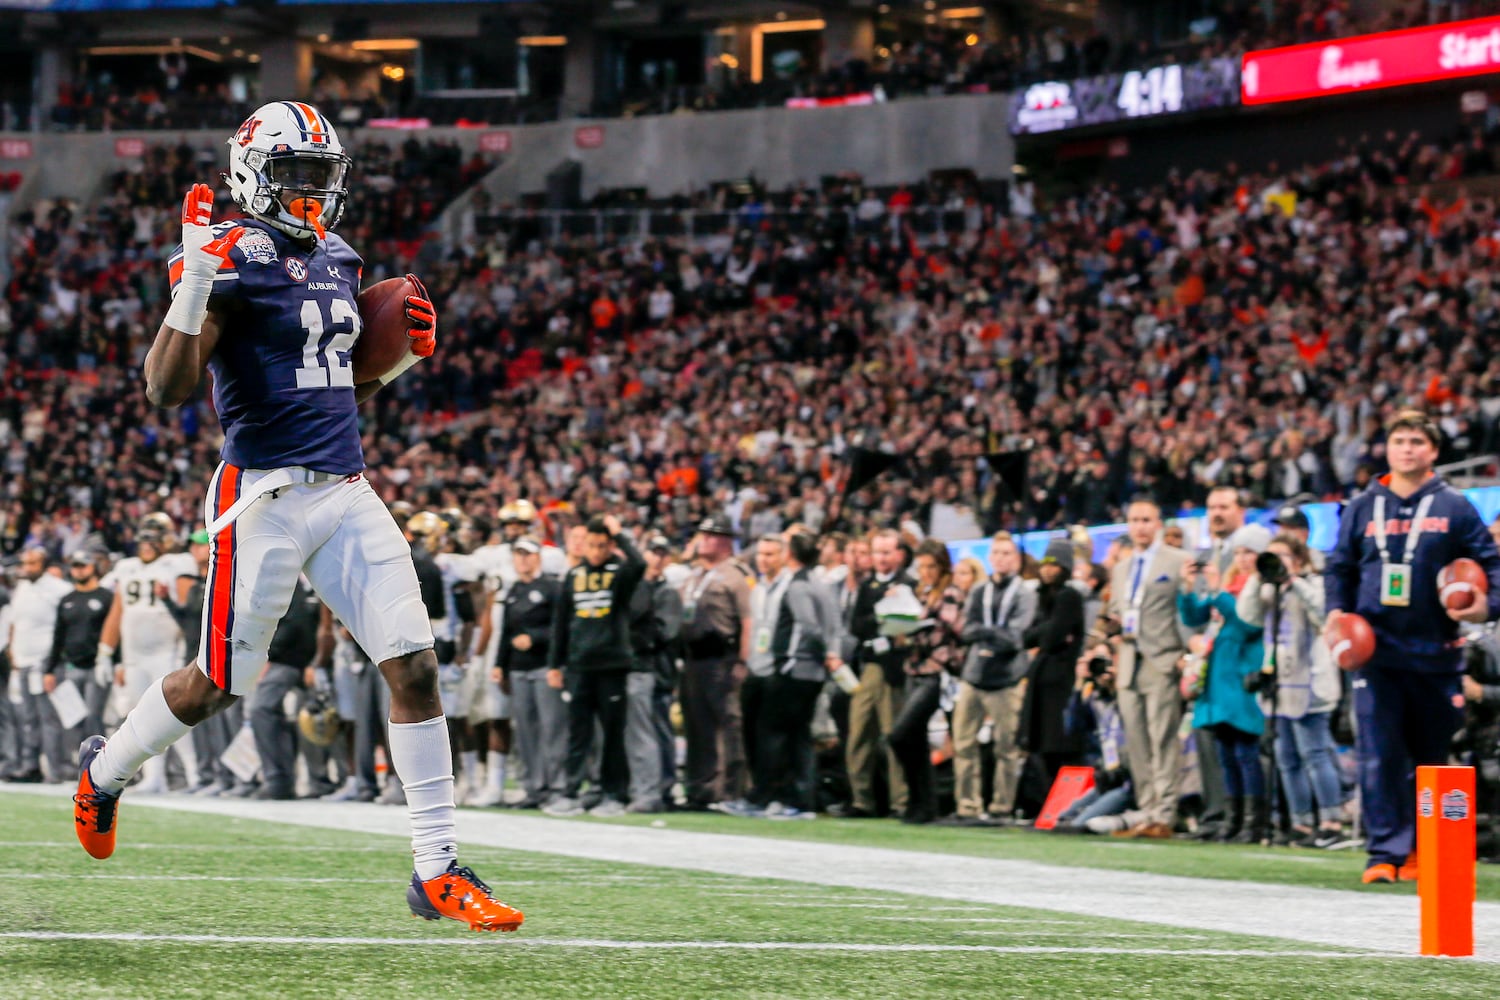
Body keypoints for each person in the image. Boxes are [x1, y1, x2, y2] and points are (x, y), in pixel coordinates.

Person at [70, 102, 522, 933]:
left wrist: (394, 369)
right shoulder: (227, 254)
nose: (311, 192)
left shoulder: (343, 258)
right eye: (295, 174)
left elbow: (335, 391)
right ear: (253, 173)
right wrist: (195, 286)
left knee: (415, 667)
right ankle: (105, 773)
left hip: (345, 488)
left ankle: (437, 868)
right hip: (263, 497)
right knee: (216, 688)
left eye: (322, 175)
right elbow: (166, 390)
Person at [1323, 410, 1500, 885]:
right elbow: (1339, 568)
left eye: (1417, 441)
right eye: (1400, 440)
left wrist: (1485, 607)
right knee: (1380, 753)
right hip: (1374, 653)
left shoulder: (1457, 507)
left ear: (1433, 451)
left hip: (1437, 652)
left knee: (1431, 756)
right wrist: (1335, 614)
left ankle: (1424, 850)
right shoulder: (1362, 505)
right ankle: (1384, 854)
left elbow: (1492, 566)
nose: (1407, 448)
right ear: (1388, 448)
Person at [1238, 534, 1345, 848]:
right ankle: (1300, 824)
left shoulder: (1313, 584)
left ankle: (1331, 821)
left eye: (1281, 555)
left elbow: (1323, 613)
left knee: (1314, 754)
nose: (1276, 562)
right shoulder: (1271, 591)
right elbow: (1247, 615)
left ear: (1298, 560)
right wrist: (1258, 579)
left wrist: (1294, 581)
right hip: (1281, 686)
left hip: (1312, 682)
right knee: (1287, 758)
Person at [545, 514, 645, 818]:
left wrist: (621, 533)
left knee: (613, 733)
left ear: (611, 546)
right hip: (578, 666)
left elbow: (639, 564)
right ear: (584, 546)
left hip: (612, 665)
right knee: (578, 733)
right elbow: (561, 623)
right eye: (592, 545)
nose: (597, 551)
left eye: (603, 545)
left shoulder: (620, 573)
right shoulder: (573, 576)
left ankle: (615, 794)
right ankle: (572, 792)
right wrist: (554, 664)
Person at [1179, 525, 1268, 844]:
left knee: (1246, 752)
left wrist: (1217, 591)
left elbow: (1248, 626)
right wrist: (1189, 588)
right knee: (1226, 754)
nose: (1243, 559)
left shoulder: (1260, 586)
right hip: (1218, 679)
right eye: (1240, 552)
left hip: (1242, 676)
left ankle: (1253, 821)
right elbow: (1193, 617)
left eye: (1250, 552)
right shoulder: (1230, 587)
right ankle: (1232, 818)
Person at [1107, 498, 1190, 838]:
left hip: (1161, 658)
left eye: (1146, 519)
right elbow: (1117, 611)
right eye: (1135, 520)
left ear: (1158, 524)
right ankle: (1147, 809)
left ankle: (1165, 813)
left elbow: (1185, 609)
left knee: (1163, 739)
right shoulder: (1120, 568)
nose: (1140, 526)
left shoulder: (1179, 560)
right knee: (1137, 743)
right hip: (1128, 661)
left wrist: (1183, 653)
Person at [98, 515, 198, 793]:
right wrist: (106, 653)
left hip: (166, 652)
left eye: (154, 538)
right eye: (144, 539)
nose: (147, 545)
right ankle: (155, 778)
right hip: (134, 655)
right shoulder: (126, 568)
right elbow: (117, 612)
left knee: (175, 714)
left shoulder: (177, 563)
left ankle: (195, 774)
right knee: (140, 717)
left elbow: (188, 608)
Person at [758, 530, 845, 818]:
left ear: (789, 555)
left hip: (795, 667)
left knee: (783, 735)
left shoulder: (798, 586)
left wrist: (820, 653)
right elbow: (833, 624)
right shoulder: (821, 584)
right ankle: (802, 797)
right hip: (812, 671)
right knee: (801, 735)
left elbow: (807, 627)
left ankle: (788, 798)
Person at [952, 531, 1036, 824]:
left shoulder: (1025, 593)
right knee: (963, 743)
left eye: (1007, 553)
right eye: (997, 553)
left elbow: (1015, 637)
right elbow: (965, 631)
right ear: (990, 557)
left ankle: (1002, 806)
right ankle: (967, 805)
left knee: (1006, 747)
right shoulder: (979, 591)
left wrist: (984, 633)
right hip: (974, 674)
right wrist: (990, 634)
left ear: (1017, 558)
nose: (1001, 559)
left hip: (1007, 678)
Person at [833, 528, 915, 819]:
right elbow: (857, 626)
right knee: (859, 734)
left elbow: (911, 625)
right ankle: (861, 799)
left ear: (900, 554)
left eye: (887, 552)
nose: (881, 558)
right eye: (877, 552)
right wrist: (884, 612)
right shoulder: (868, 586)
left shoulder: (909, 584)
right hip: (870, 665)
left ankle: (901, 802)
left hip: (896, 669)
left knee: (893, 736)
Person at [677, 513, 752, 810]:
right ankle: (699, 788)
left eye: (710, 535)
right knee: (696, 726)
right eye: (701, 534)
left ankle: (729, 791)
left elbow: (748, 620)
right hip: (693, 660)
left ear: (725, 541)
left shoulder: (736, 575)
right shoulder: (693, 574)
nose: (702, 540)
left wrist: (743, 661)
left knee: (727, 726)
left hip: (722, 658)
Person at [888, 539, 966, 825]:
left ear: (942, 566)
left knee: (900, 734)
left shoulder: (951, 592)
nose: (926, 572)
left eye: (931, 566)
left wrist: (919, 625)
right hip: (914, 668)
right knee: (914, 738)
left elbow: (952, 628)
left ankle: (924, 800)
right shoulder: (920, 592)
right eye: (922, 567)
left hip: (937, 672)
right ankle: (921, 803)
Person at [496, 537, 565, 809]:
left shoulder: (552, 587)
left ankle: (557, 787)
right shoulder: (513, 590)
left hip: (544, 667)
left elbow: (561, 628)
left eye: (528, 555)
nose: (523, 559)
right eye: (519, 555)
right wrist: (499, 664)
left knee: (552, 729)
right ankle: (533, 788)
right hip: (519, 669)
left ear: (538, 558)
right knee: (525, 732)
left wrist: (535, 638)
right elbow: (506, 631)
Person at [246, 579, 329, 799]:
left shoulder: (290, 578)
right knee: (296, 719)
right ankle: (296, 780)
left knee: (263, 711)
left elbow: (294, 622)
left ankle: (280, 779)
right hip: (299, 659)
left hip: (290, 660)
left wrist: (268, 655)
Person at [1020, 539, 1087, 794]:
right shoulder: (1043, 597)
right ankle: (1050, 805)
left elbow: (1049, 638)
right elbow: (1026, 637)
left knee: (1057, 746)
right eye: (1045, 564)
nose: (1048, 570)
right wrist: (1044, 633)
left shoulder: (1069, 596)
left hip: (1059, 682)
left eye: (1054, 564)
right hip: (1043, 680)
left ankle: (1062, 803)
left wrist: (1043, 635)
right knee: (1042, 748)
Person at [625, 534, 683, 813]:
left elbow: (665, 634)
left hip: (657, 669)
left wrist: (631, 639)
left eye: (663, 554)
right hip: (641, 666)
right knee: (647, 730)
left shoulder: (667, 593)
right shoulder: (637, 588)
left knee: (658, 730)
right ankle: (649, 786)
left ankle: (663, 788)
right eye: (653, 552)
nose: (657, 558)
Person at [7, 549, 76, 781]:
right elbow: (17, 622)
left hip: (45, 662)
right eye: (25, 563)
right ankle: (31, 766)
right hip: (24, 661)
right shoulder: (22, 587)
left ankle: (57, 768)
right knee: (28, 718)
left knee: (49, 717)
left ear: (43, 564)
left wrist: (55, 660)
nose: (27, 568)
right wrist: (13, 650)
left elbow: (66, 623)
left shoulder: (58, 588)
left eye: (33, 563)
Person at [44, 551, 114, 752]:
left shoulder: (106, 597)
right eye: (75, 566)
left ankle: (100, 763)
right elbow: (58, 636)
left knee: (94, 716)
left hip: (97, 666)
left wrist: (117, 663)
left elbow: (113, 632)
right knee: (74, 718)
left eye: (82, 565)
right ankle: (81, 763)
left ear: (93, 567)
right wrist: (49, 670)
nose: (78, 570)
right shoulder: (67, 599)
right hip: (72, 666)